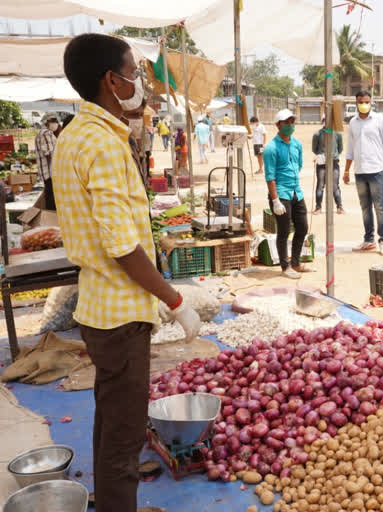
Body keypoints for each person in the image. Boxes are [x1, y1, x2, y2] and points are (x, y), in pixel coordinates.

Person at [54, 33, 201, 512]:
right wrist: (175, 300)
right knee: (124, 430)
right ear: (111, 82)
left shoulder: (75, 135)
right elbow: (122, 247)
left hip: (98, 308)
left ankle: (111, 498)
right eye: (134, 74)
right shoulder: (102, 145)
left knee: (109, 414)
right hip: (120, 315)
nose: (141, 84)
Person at [344, 90, 383, 255]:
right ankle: (369, 240)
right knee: (365, 207)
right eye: (360, 101)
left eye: (366, 101)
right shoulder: (353, 123)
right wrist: (346, 170)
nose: (363, 104)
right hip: (359, 172)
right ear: (356, 103)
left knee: (379, 207)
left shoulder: (379, 120)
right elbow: (350, 149)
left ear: (371, 102)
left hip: (376, 171)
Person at [264, 109, 309, 279]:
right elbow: (270, 176)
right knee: (283, 231)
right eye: (286, 122)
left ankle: (296, 263)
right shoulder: (271, 148)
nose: (290, 125)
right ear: (278, 125)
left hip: (296, 192)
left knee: (303, 227)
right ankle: (285, 266)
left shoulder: (297, 144)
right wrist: (275, 200)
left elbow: (299, 165)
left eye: (292, 122)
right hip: (281, 194)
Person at [312, 116, 344, 214]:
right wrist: (322, 155)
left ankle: (339, 207)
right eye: (325, 120)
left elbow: (340, 148)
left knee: (335, 185)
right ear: (323, 121)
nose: (327, 122)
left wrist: (333, 155)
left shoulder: (338, 134)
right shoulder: (317, 134)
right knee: (320, 185)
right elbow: (314, 149)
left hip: (334, 162)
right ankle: (318, 207)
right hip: (321, 164)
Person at [123, 99, 150, 190]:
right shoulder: (117, 144)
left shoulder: (132, 142)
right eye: (133, 115)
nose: (138, 119)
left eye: (141, 115)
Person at [34, 114, 58, 210]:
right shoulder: (45, 133)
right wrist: (54, 171)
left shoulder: (45, 133)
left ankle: (50, 217)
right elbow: (49, 154)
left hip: (47, 172)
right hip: (49, 172)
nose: (55, 123)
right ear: (46, 121)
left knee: (50, 196)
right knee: (51, 198)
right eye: (53, 120)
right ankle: (51, 218)